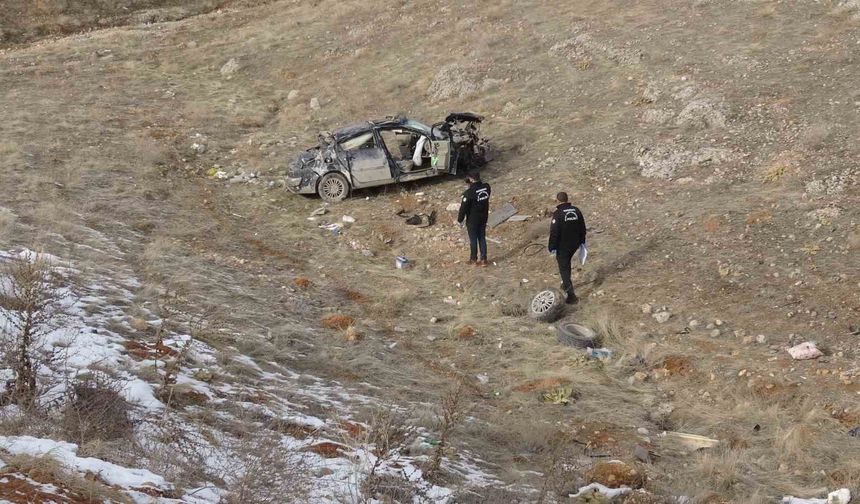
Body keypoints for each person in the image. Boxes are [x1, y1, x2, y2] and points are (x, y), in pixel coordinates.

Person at [548, 192, 586, 304]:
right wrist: (582, 241)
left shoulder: (558, 214)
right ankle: (565, 284)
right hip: (575, 244)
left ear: (557, 200)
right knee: (566, 263)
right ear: (567, 199)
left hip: (563, 245)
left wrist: (552, 246)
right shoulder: (576, 210)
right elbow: (582, 226)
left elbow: (554, 232)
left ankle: (571, 296)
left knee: (563, 268)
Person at [457, 171, 491, 266]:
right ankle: (484, 259)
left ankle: (473, 259)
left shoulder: (469, 193)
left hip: (473, 219)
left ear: (471, 179)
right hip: (483, 217)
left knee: (473, 239)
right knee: (482, 237)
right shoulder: (487, 187)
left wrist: (460, 220)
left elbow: (463, 208)